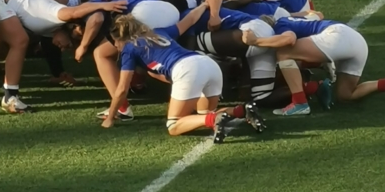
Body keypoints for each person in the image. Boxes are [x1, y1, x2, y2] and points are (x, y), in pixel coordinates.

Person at [101, 13, 265, 142]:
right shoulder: (158, 32)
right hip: (208, 64)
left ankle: (215, 118)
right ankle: (241, 110)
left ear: (120, 38)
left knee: (173, 125)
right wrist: (204, 5)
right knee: (204, 113)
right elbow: (190, 20)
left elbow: (122, 88)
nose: (115, 47)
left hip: (187, 69)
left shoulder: (130, 48)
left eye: (114, 42)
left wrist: (110, 117)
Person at [242, 15, 385, 116]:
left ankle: (300, 103)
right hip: (356, 41)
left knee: (283, 52)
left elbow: (289, 40)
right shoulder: (291, 19)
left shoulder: (281, 25)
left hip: (338, 37)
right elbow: (316, 14)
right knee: (345, 95)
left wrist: (256, 41)